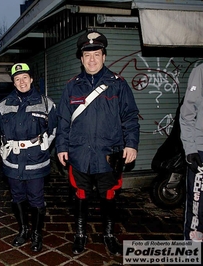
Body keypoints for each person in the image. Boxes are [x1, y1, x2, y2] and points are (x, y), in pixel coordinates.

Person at [56, 30, 140, 256]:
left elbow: (130, 117)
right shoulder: (71, 86)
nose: (92, 59)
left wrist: (131, 144)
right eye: (87, 55)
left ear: (104, 56)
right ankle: (81, 235)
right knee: (80, 195)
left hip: (109, 154)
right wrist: (61, 147)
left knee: (109, 195)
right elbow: (63, 120)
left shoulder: (118, 85)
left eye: (96, 54)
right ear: (81, 58)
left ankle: (109, 235)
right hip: (80, 153)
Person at [0, 63, 57, 252]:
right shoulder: (3, 105)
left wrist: (44, 146)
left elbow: (54, 130)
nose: (21, 82)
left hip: (36, 161)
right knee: (17, 197)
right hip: (13, 161)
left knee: (36, 199)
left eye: (25, 77)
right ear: (13, 83)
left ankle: (37, 234)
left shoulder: (47, 104)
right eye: (17, 79)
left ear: (31, 79)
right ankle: (23, 230)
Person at [179, 62, 203, 242]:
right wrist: (190, 148)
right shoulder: (200, 71)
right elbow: (187, 113)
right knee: (197, 208)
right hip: (201, 151)